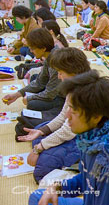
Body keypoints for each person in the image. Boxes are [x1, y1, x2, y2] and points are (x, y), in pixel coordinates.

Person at [28, 70, 109, 205]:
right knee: (37, 197)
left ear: (96, 116)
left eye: (73, 111)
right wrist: (58, 187)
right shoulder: (90, 138)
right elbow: (87, 179)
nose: (67, 115)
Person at [18, 47, 91, 182]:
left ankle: (80, 166)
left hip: (87, 139)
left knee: (40, 173)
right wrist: (40, 132)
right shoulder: (75, 86)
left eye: (60, 73)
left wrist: (38, 149)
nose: (58, 76)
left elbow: (67, 131)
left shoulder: (83, 93)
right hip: (75, 132)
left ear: (73, 71)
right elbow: (63, 116)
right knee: (39, 133)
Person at [3, 28, 64, 111]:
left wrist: (30, 98)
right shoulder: (49, 56)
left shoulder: (56, 60)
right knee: (34, 79)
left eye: (32, 48)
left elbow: (50, 94)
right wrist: (17, 94)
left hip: (64, 97)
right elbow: (40, 82)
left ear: (43, 48)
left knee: (32, 104)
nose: (31, 51)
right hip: (56, 91)